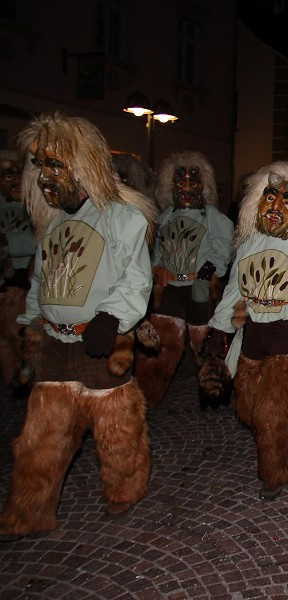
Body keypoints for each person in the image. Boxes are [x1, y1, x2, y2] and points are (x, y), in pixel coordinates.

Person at [0, 112, 157, 541]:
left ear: (82, 164)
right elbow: (42, 280)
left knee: (117, 433)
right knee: (39, 439)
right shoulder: (50, 225)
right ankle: (29, 510)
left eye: (56, 164)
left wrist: (112, 318)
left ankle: (126, 489)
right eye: (40, 165)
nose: (46, 176)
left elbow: (136, 279)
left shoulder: (124, 220)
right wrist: (30, 321)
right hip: (53, 343)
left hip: (101, 341)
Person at [202, 161, 288, 501]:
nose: (276, 208)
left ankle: (278, 470)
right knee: (248, 406)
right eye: (271, 197)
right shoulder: (248, 245)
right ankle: (275, 448)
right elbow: (234, 291)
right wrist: (219, 330)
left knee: (275, 411)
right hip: (254, 334)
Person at [134, 151, 234, 408]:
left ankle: (215, 393)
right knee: (159, 349)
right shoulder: (163, 218)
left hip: (199, 289)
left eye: (193, 182)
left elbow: (221, 252)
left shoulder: (215, 219)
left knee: (206, 348)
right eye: (181, 182)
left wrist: (204, 275)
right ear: (171, 185)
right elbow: (155, 251)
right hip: (169, 290)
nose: (187, 188)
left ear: (205, 186)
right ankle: (145, 399)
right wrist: (157, 269)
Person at [0, 149, 34, 387]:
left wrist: (8, 241)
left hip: (25, 278)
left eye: (16, 173)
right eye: (6, 174)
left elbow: (41, 239)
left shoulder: (35, 204)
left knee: (18, 330)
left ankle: (28, 372)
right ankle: (11, 376)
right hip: (5, 275)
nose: (13, 179)